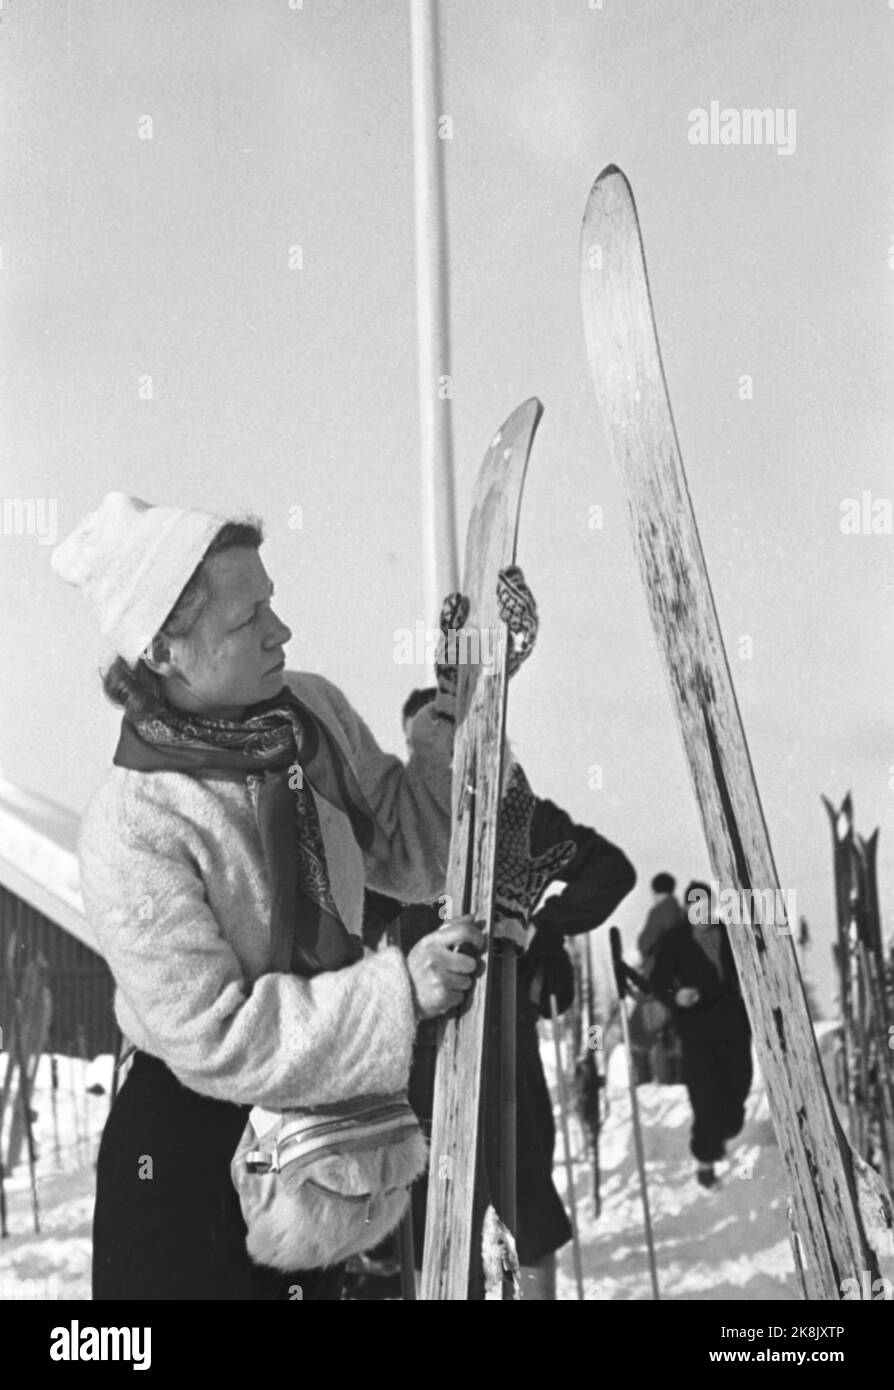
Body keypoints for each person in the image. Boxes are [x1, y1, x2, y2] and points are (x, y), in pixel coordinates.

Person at [50, 492, 513, 1300]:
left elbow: (416, 844)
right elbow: (217, 1037)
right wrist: (400, 990)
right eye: (246, 619)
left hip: (331, 1134)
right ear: (164, 649)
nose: (280, 631)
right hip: (194, 1157)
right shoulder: (136, 828)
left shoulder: (310, 714)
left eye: (272, 603)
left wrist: (469, 693)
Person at [363, 688, 636, 1300]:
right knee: (435, 1197)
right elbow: (355, 911)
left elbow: (610, 869)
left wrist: (540, 925)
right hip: (425, 1040)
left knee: (521, 1191)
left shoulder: (519, 814)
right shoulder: (399, 825)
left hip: (501, 1026)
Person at [649, 879, 753, 1189]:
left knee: (739, 1086)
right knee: (706, 1098)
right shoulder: (674, 940)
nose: (701, 912)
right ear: (688, 909)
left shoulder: (729, 932)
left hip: (733, 1025)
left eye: (705, 905)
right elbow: (659, 981)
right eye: (695, 906)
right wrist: (677, 995)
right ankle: (706, 1163)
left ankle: (724, 1131)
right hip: (696, 1031)